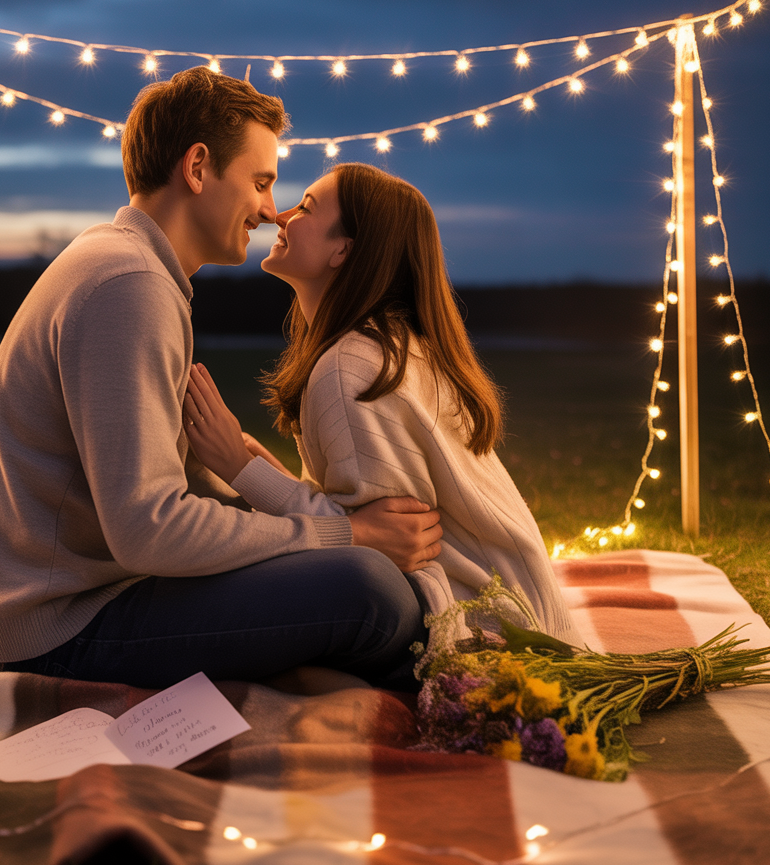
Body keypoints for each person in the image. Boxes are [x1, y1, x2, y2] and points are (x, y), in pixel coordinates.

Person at [0, 69, 444, 689]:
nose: (269, 210)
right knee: (372, 592)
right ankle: (453, 697)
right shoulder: (129, 286)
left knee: (364, 585)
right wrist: (343, 534)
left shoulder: (127, 266)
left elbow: (162, 494)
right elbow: (149, 528)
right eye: (260, 182)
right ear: (197, 167)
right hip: (62, 629)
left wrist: (254, 481)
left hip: (84, 598)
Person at [183, 163, 580, 647]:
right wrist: (268, 474)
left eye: (306, 207)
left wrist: (240, 468)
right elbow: (361, 518)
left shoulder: (353, 366)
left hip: (486, 626)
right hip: (524, 615)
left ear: (343, 250)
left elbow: (379, 546)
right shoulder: (384, 345)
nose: (280, 216)